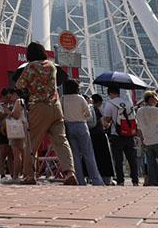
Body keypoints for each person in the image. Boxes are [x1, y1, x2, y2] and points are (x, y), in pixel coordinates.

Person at [14, 42, 77, 186]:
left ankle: (29, 175)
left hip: (38, 107)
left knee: (32, 142)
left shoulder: (31, 67)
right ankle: (69, 173)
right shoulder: (52, 66)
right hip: (55, 107)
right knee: (61, 141)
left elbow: (19, 85)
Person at [61, 79, 103, 186]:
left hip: (69, 127)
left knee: (74, 155)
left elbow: (61, 113)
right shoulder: (80, 98)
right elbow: (88, 114)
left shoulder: (63, 98)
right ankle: (96, 180)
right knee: (88, 153)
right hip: (81, 126)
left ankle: (80, 180)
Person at [101, 86, 139, 186]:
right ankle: (135, 180)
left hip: (116, 134)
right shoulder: (128, 102)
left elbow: (107, 120)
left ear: (110, 94)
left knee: (118, 159)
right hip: (129, 134)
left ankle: (120, 180)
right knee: (132, 159)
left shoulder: (110, 103)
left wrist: (106, 122)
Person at [136, 91, 158, 186]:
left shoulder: (139, 111)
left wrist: (143, 140)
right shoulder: (155, 110)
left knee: (151, 165)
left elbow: (139, 128)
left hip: (148, 141)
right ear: (152, 99)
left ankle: (154, 183)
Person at [89, 93, 114, 184]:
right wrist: (110, 122)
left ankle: (92, 177)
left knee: (93, 157)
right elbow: (104, 124)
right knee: (104, 158)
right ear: (99, 102)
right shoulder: (96, 110)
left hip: (91, 136)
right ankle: (106, 179)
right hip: (100, 136)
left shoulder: (88, 109)